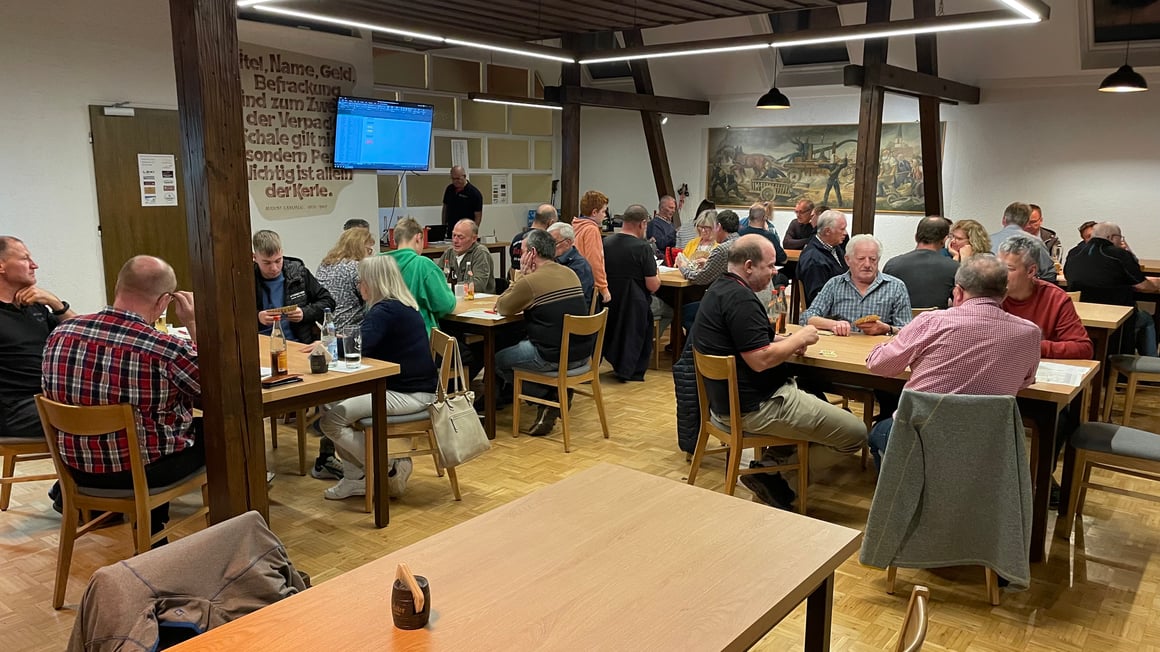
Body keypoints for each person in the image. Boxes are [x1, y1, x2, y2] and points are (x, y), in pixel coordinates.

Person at [691, 235, 867, 510]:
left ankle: (771, 467)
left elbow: (750, 340)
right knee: (856, 433)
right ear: (749, 266)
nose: (775, 272)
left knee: (817, 402)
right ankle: (780, 481)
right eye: (770, 266)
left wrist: (785, 342)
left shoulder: (719, 289)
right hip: (758, 407)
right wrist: (800, 338)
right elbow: (760, 360)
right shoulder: (741, 300)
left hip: (726, 405)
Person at [42, 256, 202, 540]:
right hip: (141, 473)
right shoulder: (165, 349)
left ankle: (149, 527)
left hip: (76, 470)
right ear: (163, 301)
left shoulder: (61, 333)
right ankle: (224, 527)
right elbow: (216, 384)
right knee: (215, 431)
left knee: (150, 429)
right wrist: (193, 323)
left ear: (117, 287)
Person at [865, 254, 1042, 469]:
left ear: (958, 292)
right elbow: (1025, 380)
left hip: (920, 439)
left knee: (879, 432)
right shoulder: (1030, 333)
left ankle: (902, 488)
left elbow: (880, 365)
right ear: (1004, 294)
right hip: (985, 445)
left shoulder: (932, 322)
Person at [316, 256, 439, 500]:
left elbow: (359, 348)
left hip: (410, 395)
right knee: (331, 404)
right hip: (411, 388)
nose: (359, 285)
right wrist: (343, 342)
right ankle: (355, 478)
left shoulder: (385, 311)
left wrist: (326, 346)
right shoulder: (400, 306)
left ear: (373, 283)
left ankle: (388, 464)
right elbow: (365, 342)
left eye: (361, 281)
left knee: (331, 421)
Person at [495, 229, 593, 436]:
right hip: (582, 355)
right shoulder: (570, 273)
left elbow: (503, 307)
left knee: (496, 359)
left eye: (522, 251)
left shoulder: (531, 281)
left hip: (551, 356)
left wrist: (520, 276)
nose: (520, 256)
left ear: (532, 253)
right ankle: (554, 394)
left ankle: (548, 396)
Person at [0, 236, 76, 445]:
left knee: (113, 405)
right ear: (1, 266)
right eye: (25, 259)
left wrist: (55, 303)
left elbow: (84, 335)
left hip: (50, 396)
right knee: (97, 417)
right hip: (16, 409)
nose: (34, 265)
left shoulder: (35, 306)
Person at [1065, 222, 1160, 356]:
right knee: (1147, 319)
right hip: (1118, 319)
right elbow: (1142, 286)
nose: (1120, 241)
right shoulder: (1119, 255)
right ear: (1111, 237)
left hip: (1081, 317)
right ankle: (1150, 363)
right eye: (1120, 238)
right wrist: (1156, 285)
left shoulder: (1074, 253)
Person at [999, 234, 1092, 360]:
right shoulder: (989, 294)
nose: (1000, 274)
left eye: (1009, 269)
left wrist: (1034, 347)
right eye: (998, 267)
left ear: (1031, 271)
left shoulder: (1055, 298)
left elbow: (1083, 348)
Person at [801, 234, 912, 336]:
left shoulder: (896, 287)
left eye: (873, 259)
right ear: (847, 260)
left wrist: (887, 329)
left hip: (878, 348)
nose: (867, 264)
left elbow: (908, 332)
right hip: (842, 346)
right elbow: (806, 318)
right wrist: (833, 324)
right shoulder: (834, 285)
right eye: (861, 259)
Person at [603, 204, 663, 382]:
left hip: (609, 303)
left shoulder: (605, 243)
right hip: (634, 306)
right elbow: (652, 286)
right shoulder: (643, 248)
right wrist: (658, 274)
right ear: (643, 224)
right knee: (666, 310)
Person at [253, 229, 335, 343]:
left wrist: (304, 313)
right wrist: (257, 317)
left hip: (298, 341)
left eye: (278, 260)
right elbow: (233, 315)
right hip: (259, 343)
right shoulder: (245, 279)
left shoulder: (298, 273)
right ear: (255, 258)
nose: (274, 268)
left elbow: (328, 301)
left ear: (282, 253)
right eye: (267, 263)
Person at [385, 217, 456, 333]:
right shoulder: (423, 265)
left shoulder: (378, 264)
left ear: (394, 240)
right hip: (418, 336)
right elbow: (446, 305)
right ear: (418, 238)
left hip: (385, 336)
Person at [882, 216, 960, 309]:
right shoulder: (954, 267)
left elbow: (884, 303)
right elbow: (962, 305)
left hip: (902, 318)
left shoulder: (892, 265)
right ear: (944, 240)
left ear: (916, 237)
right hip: (938, 318)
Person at [316, 227, 375, 331]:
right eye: (369, 250)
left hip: (325, 328)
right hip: (349, 330)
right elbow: (372, 298)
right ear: (360, 248)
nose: (370, 255)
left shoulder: (324, 265)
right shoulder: (356, 267)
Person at [988, 202, 1056, 282]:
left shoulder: (988, 241)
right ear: (1027, 222)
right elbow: (1049, 274)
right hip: (1026, 288)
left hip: (991, 288)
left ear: (1004, 219)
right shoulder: (1035, 242)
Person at [795, 210, 849, 307]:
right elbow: (817, 298)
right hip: (831, 311)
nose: (845, 233)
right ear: (827, 231)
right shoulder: (813, 259)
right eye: (842, 229)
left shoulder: (835, 248)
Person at [573, 190, 611, 304]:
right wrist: (603, 287)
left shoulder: (575, 226)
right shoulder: (591, 230)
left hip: (576, 281)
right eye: (603, 211)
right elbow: (594, 261)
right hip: (588, 284)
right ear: (594, 212)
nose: (605, 215)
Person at [437, 219, 495, 294]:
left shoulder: (480, 253)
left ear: (474, 238)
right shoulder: (449, 252)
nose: (455, 241)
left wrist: (454, 287)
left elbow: (479, 285)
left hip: (477, 298)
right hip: (453, 297)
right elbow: (437, 276)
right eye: (454, 235)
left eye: (460, 237)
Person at [547, 222, 594, 307]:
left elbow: (575, 299)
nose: (549, 247)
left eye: (553, 243)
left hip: (574, 312)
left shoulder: (580, 266)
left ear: (567, 243)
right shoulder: (552, 261)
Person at [510, 204, 557, 271]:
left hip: (515, 276)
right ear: (551, 223)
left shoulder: (516, 239)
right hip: (535, 276)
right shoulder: (545, 241)